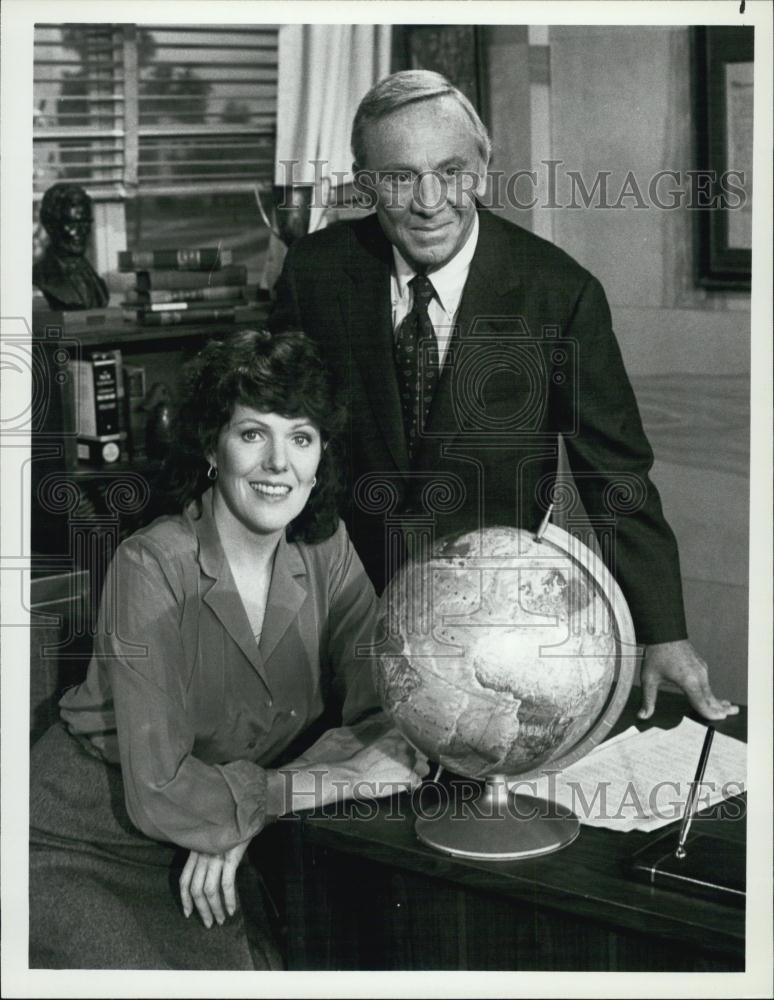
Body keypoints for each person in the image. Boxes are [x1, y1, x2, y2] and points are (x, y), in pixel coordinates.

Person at [269, 69, 737, 724]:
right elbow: (278, 438)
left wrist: (663, 631)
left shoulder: (558, 293)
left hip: (488, 632)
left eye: (451, 171)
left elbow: (615, 478)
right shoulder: (315, 274)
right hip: (336, 614)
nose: (430, 201)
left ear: (483, 173)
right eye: (400, 177)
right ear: (366, 181)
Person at [29, 329, 427, 970]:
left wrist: (243, 815)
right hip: (80, 837)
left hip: (210, 832)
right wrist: (294, 793)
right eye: (252, 434)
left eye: (301, 437)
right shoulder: (150, 564)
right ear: (212, 447)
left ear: (321, 455)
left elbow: (392, 713)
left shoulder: (327, 550)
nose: (279, 463)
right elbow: (158, 787)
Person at [32, 182, 109, 310]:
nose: (81, 232)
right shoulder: (42, 276)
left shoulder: (93, 276)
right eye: (72, 224)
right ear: (50, 225)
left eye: (86, 222)